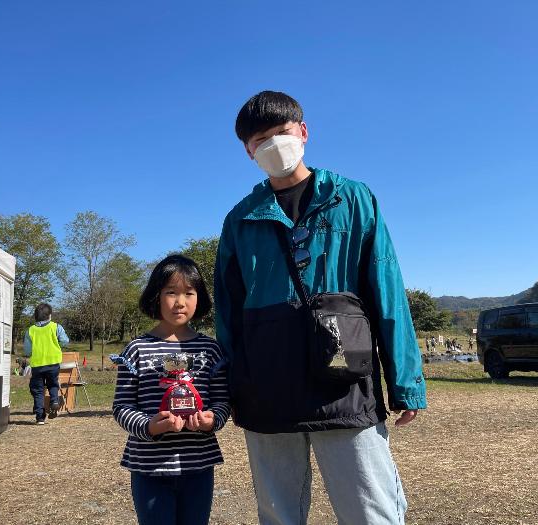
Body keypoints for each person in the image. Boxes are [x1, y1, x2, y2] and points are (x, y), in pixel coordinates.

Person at [214, 91, 426, 525]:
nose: (273, 145)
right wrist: (232, 386)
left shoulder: (353, 198)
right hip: (267, 381)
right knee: (278, 512)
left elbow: (386, 288)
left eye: (281, 133)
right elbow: (228, 312)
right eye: (260, 140)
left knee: (371, 508)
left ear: (304, 132)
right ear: (248, 151)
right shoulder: (240, 219)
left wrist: (406, 382)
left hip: (344, 376)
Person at [112, 254, 230, 525]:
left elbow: (223, 401)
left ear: (199, 297)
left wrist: (213, 420)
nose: (180, 302)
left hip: (199, 466)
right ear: (156, 296)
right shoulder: (137, 349)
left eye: (189, 292)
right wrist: (150, 426)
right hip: (149, 468)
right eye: (171, 292)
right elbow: (121, 407)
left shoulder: (210, 350)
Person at [23, 303, 69, 425]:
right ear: (49, 315)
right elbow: (65, 342)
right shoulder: (56, 327)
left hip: (37, 365)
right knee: (53, 384)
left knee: (37, 390)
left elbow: (27, 351)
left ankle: (40, 417)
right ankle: (54, 401)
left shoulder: (30, 330)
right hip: (53, 362)